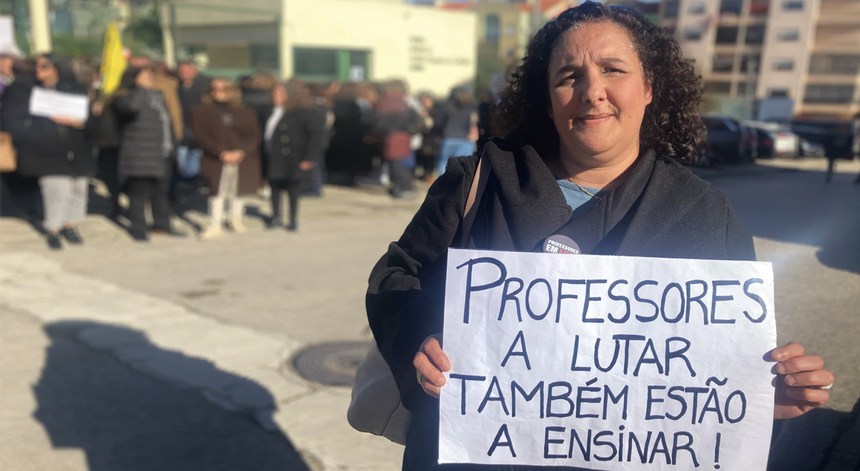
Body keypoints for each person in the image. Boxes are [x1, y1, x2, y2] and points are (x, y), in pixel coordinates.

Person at [365, 3, 834, 470]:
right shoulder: (478, 181)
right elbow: (397, 276)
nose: (592, 92)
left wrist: (759, 399)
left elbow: (717, 371)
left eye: (613, 69)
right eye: (569, 77)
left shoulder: (704, 213)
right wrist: (420, 342)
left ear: (649, 87)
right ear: (548, 98)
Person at [0, 53, 100, 250]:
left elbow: (91, 122)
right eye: (37, 66)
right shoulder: (24, 88)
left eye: (44, 66)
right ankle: (53, 229)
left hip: (76, 151)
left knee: (79, 189)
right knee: (57, 191)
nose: (38, 70)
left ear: (57, 68)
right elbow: (11, 119)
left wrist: (80, 122)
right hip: (45, 151)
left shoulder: (75, 89)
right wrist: (33, 136)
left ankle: (70, 225)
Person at [112, 66, 185, 241]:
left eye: (151, 76)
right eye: (145, 77)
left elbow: (168, 123)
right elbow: (132, 108)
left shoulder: (158, 97)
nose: (150, 80)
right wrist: (140, 89)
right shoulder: (123, 97)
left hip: (162, 153)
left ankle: (162, 224)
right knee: (139, 193)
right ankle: (138, 227)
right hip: (139, 154)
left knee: (161, 192)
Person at [191, 78, 262, 240]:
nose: (219, 92)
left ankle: (235, 220)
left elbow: (254, 135)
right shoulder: (200, 111)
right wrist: (220, 152)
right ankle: (215, 224)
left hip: (243, 157)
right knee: (217, 191)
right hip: (216, 157)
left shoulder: (246, 112)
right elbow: (200, 135)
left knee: (239, 189)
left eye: (224, 88)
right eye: (215, 88)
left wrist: (242, 151)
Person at [263, 82, 323, 231]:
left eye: (280, 93)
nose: (275, 96)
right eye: (274, 93)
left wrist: (310, 157)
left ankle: (292, 219)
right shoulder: (269, 112)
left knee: (292, 188)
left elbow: (315, 137)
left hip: (294, 156)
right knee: (274, 187)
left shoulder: (303, 113)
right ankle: (276, 216)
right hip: (273, 155)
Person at [373, 80, 422, 199]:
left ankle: (402, 188)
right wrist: (410, 131)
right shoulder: (405, 105)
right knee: (401, 164)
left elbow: (379, 124)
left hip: (390, 137)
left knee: (395, 165)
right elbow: (419, 122)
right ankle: (404, 187)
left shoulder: (384, 104)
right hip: (403, 137)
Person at [436, 88, 478, 178]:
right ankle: (458, 182)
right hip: (463, 137)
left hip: (448, 137)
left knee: (444, 161)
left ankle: (442, 182)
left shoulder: (447, 107)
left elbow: (439, 122)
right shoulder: (470, 108)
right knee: (460, 163)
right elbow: (473, 122)